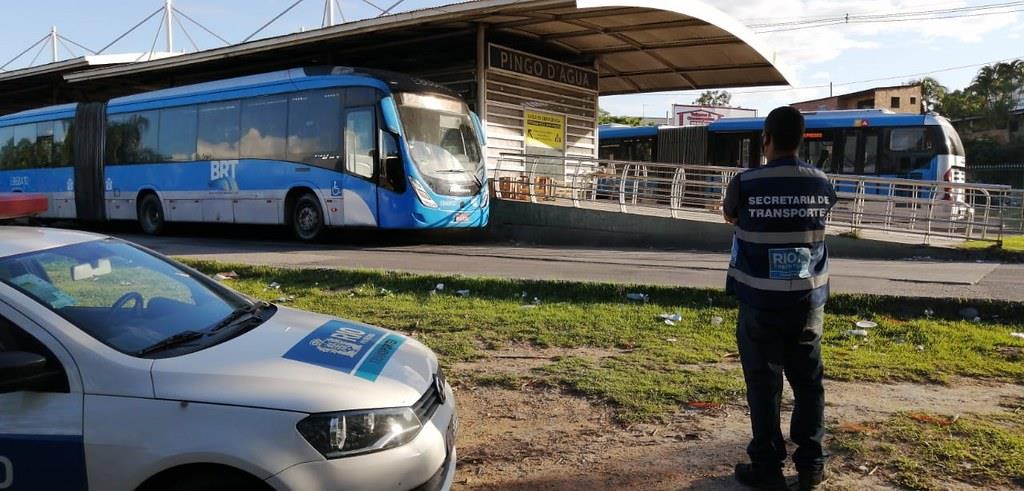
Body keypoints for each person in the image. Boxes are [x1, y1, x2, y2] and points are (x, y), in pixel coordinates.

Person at [721, 106, 837, 490]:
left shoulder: (746, 182)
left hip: (759, 302)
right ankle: (811, 465)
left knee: (763, 383)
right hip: (807, 302)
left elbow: (731, 217)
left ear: (765, 140)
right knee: (808, 383)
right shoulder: (821, 182)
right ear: (802, 141)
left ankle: (767, 468)